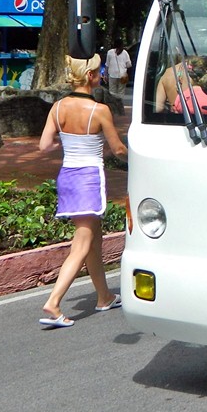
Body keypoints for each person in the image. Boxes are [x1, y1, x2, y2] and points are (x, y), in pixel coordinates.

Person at [37, 55, 127, 328]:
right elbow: (118, 149)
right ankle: (53, 302)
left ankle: (104, 296)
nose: (100, 74)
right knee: (83, 243)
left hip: (67, 176)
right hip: (89, 178)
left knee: (93, 240)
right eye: (98, 71)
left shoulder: (57, 107)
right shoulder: (99, 110)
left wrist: (69, 143)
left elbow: (44, 146)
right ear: (90, 76)